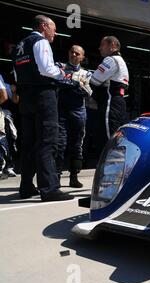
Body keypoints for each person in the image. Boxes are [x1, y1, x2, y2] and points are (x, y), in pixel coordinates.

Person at [12, 15, 74, 201]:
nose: (55, 32)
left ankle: (26, 187)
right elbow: (47, 69)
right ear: (44, 26)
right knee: (48, 141)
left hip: (26, 97)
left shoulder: (19, 46)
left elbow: (16, 74)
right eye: (53, 28)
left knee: (30, 142)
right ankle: (49, 189)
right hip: (43, 96)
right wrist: (62, 73)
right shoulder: (40, 41)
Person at [56, 45, 92, 188]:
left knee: (77, 145)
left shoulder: (87, 73)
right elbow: (56, 81)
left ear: (82, 57)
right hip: (61, 111)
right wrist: (77, 84)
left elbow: (88, 92)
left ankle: (74, 176)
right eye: (71, 52)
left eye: (77, 53)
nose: (74, 55)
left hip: (79, 111)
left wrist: (69, 84)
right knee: (59, 144)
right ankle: (56, 178)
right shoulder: (60, 66)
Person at [90, 36, 129, 148]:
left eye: (102, 45)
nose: (99, 48)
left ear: (112, 45)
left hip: (110, 103)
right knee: (118, 137)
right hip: (120, 102)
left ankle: (108, 165)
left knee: (108, 138)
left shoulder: (111, 59)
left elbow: (94, 80)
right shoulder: (121, 61)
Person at [0, 73, 19, 178]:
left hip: (4, 113)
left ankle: (9, 166)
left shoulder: (5, 85)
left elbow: (15, 100)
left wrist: (15, 91)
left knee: (9, 137)